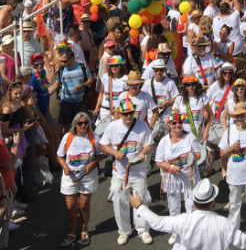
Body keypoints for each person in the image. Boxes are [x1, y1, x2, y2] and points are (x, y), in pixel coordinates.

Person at [129, 179, 246, 249]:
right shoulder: (224, 224)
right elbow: (245, 242)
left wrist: (140, 206)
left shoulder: (183, 220)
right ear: (212, 202)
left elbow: (156, 222)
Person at [100, 98, 154, 245]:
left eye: (131, 113)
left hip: (138, 171)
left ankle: (143, 230)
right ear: (119, 113)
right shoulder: (112, 127)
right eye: (125, 114)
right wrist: (114, 152)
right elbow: (103, 144)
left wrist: (143, 154)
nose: (128, 116)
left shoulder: (142, 125)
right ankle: (124, 231)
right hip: (120, 172)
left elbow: (149, 144)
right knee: (120, 201)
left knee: (141, 200)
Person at [57, 112, 104, 247]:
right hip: (70, 177)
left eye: (85, 123)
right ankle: (72, 233)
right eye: (80, 123)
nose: (83, 125)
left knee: (83, 205)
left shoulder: (94, 137)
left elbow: (100, 155)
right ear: (75, 125)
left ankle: (84, 230)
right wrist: (65, 166)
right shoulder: (68, 137)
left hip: (87, 176)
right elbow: (59, 156)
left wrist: (91, 164)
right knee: (70, 207)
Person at [155, 112, 202, 245]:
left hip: (189, 176)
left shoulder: (190, 136)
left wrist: (191, 159)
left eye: (180, 122)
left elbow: (199, 153)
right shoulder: (164, 141)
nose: (177, 125)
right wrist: (170, 167)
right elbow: (158, 161)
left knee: (191, 205)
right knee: (174, 206)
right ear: (169, 124)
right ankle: (175, 232)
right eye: (174, 123)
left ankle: (191, 232)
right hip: (172, 178)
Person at [218, 102, 246, 235]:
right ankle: (233, 229)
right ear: (234, 117)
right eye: (238, 116)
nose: (240, 118)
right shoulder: (229, 131)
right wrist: (231, 148)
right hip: (234, 173)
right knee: (234, 202)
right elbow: (221, 153)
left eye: (243, 115)